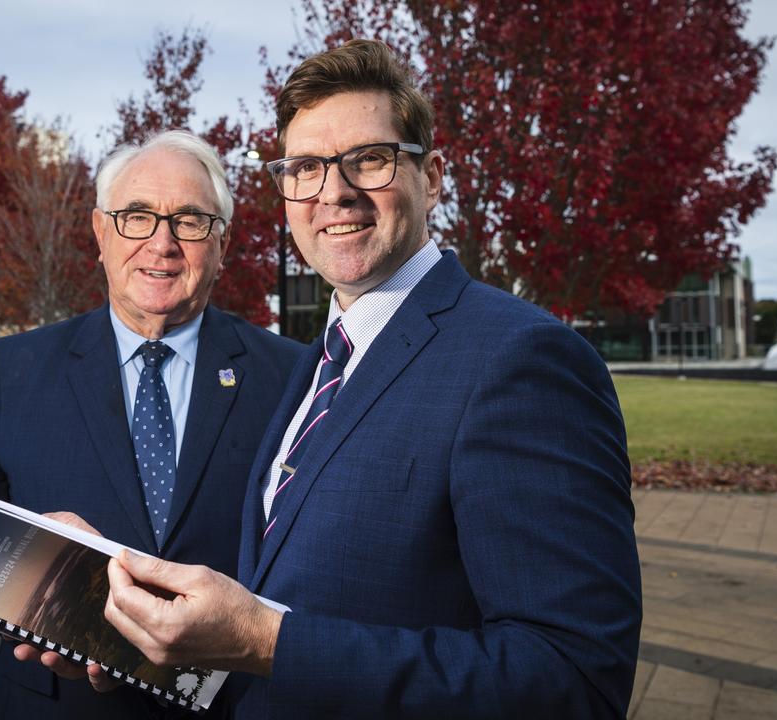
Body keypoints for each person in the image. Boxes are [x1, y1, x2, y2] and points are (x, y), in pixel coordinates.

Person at [100, 40, 642, 719]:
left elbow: (573, 681)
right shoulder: (314, 362)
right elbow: (291, 582)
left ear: (434, 176)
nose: (335, 191)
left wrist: (267, 642)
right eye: (305, 167)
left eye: (370, 159)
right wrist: (121, 613)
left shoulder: (521, 360)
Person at [0, 130, 303, 719]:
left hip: (232, 705)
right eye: (137, 216)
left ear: (221, 244)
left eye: (191, 220)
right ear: (100, 233)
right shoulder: (14, 369)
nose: (162, 243)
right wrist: (36, 580)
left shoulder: (291, 376)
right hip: (57, 704)